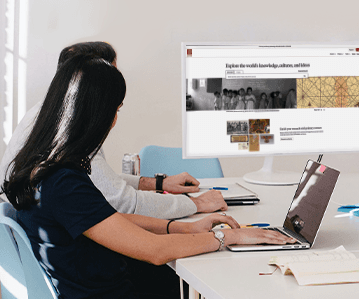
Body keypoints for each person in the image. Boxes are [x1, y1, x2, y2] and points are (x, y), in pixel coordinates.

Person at [2, 54, 295, 298]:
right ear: (95, 114)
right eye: (114, 110)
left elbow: (105, 220)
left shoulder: (41, 166)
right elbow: (154, 251)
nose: (115, 120)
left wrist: (186, 229)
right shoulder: (62, 181)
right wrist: (228, 237)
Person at [0, 42, 225, 219]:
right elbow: (122, 203)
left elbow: (96, 183)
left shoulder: (46, 116)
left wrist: (158, 184)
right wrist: (196, 204)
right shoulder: (71, 133)